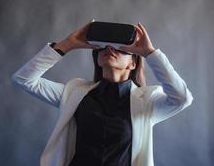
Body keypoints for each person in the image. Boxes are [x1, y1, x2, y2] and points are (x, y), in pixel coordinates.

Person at [11, 20, 194, 166]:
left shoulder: (147, 102)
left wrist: (150, 53)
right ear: (97, 59)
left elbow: (182, 98)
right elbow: (24, 79)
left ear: (133, 64)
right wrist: (67, 44)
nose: (110, 49)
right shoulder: (74, 93)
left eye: (121, 49)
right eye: (104, 47)